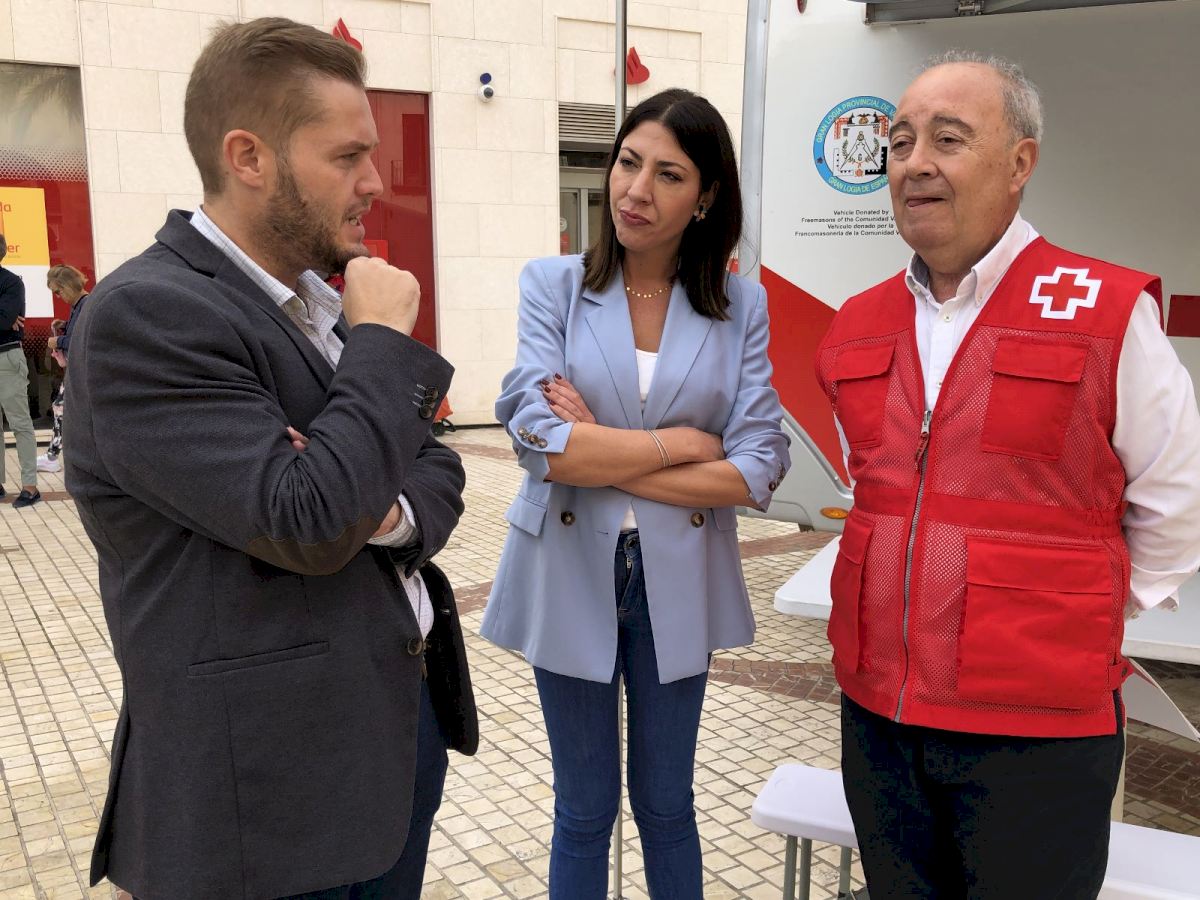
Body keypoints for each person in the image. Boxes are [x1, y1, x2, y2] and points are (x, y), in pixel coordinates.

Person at [64, 18, 476, 900]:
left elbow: (435, 465)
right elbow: (313, 518)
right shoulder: (149, 316)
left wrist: (380, 501)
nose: (375, 183)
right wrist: (374, 349)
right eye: (347, 157)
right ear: (248, 157)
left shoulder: (315, 305)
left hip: (384, 755)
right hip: (261, 810)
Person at [815, 51, 1200, 899]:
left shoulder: (1101, 310)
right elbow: (875, 488)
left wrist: (1074, 604)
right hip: (880, 722)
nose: (915, 162)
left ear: (1020, 163)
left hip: (1038, 736)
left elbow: (1178, 497)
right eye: (901, 140)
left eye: (948, 139)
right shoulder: (855, 325)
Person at [482, 88, 791, 900]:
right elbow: (535, 439)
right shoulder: (552, 285)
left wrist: (600, 453)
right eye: (627, 162)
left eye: (668, 174)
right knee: (583, 811)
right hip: (568, 566)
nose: (635, 191)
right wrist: (684, 445)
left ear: (707, 197)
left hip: (676, 575)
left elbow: (759, 465)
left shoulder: (739, 305)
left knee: (667, 805)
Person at [37, 264, 90, 474]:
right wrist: (65, 326)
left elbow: (81, 339)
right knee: (63, 409)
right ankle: (55, 455)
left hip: (82, 371)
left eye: (58, 291)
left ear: (67, 286)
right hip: (79, 370)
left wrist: (57, 340)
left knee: (61, 408)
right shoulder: (80, 305)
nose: (58, 297)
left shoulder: (85, 304)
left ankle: (54, 456)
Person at [0, 234, 40, 507]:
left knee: (20, 424)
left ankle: (30, 487)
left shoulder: (11, 282)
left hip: (7, 359)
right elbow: (4, 319)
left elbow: (5, 320)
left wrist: (6, 319)